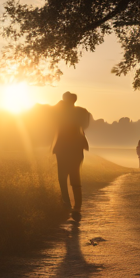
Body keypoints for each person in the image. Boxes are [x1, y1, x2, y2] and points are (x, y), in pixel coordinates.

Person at [51, 92, 90, 221]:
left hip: (65, 149)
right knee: (73, 178)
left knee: (64, 178)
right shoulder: (80, 112)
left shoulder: (62, 113)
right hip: (74, 149)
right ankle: (74, 207)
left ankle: (69, 205)